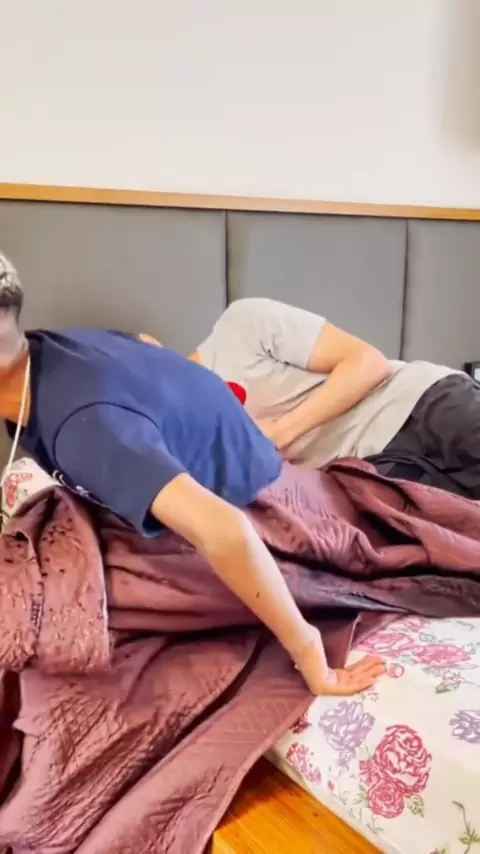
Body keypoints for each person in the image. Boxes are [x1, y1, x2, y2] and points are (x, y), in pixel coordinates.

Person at [0, 252, 383, 697]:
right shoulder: (60, 346)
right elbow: (148, 346)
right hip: (271, 482)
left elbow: (226, 531)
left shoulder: (82, 429)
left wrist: (310, 653)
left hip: (269, 528)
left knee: (63, 608)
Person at [170, 297, 478, 499]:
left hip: (419, 400)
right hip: (376, 467)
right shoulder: (180, 437)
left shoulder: (239, 326)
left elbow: (369, 363)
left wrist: (278, 433)